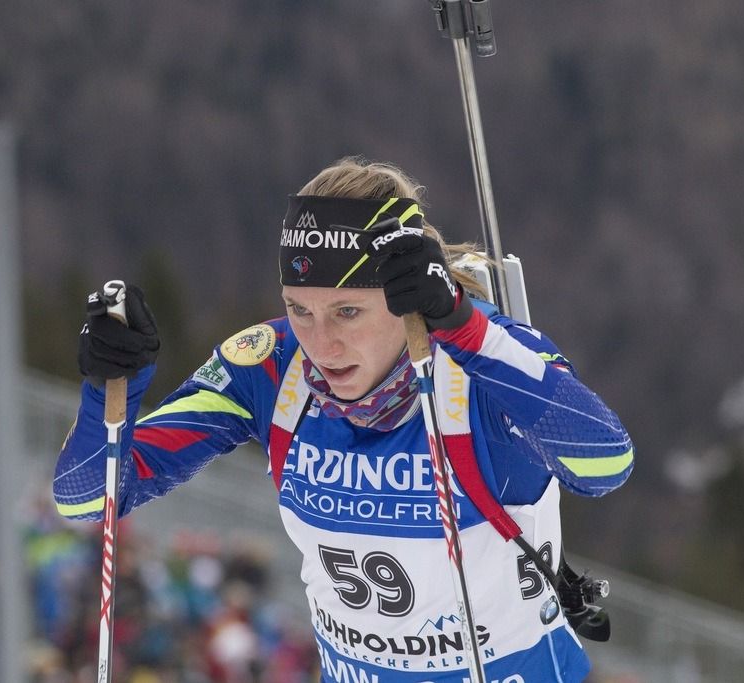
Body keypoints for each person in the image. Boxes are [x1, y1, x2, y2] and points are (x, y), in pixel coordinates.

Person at [54, 157, 634, 682]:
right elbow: (88, 499)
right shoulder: (268, 366)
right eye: (299, 309)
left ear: (406, 298)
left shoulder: (481, 356)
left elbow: (605, 462)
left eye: (348, 311)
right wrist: (111, 388)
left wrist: (465, 329)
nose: (321, 344)